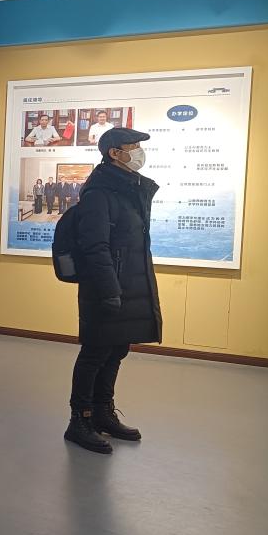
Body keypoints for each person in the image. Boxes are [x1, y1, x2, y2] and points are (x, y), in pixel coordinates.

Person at [64, 127, 161, 454]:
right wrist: (109, 290)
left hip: (127, 284)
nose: (138, 152)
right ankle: (80, 420)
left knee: (117, 349)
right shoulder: (99, 193)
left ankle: (103, 412)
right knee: (95, 353)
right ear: (114, 153)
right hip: (105, 287)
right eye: (132, 146)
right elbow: (95, 247)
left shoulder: (129, 189)